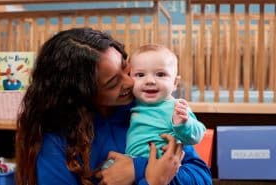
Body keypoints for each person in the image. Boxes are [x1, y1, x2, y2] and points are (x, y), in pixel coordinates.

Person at [15, 28, 212, 185]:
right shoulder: (56, 140)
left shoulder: (151, 109)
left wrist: (139, 168)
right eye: (112, 83)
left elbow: (201, 176)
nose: (129, 83)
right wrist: (152, 180)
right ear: (82, 94)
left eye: (127, 69)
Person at [126, 44, 206, 158]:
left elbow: (197, 135)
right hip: (131, 160)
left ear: (174, 83)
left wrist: (183, 124)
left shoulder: (176, 107)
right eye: (140, 75)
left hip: (160, 162)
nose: (150, 81)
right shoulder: (131, 103)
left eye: (160, 74)